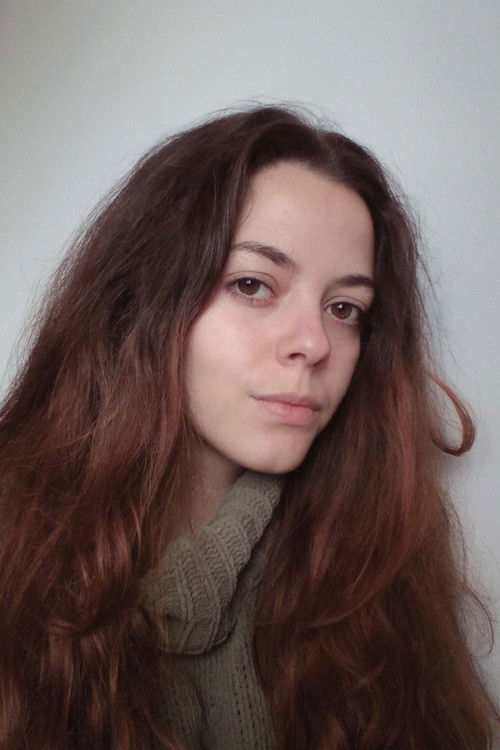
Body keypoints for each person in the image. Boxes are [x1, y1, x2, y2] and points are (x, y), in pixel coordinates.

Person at [0, 105, 498, 750]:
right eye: (254, 285)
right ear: (141, 299)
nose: (314, 343)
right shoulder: (16, 549)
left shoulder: (372, 569)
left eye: (345, 308)